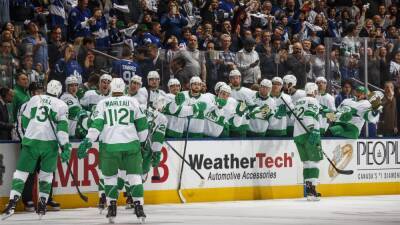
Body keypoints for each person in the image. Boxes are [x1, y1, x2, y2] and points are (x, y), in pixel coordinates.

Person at [77, 78, 150, 223]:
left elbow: (96, 125)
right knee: (134, 176)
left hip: (110, 146)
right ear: (124, 88)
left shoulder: (103, 103)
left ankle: (111, 206)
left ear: (111, 88)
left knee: (110, 177)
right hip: (131, 145)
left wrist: (88, 141)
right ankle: (139, 207)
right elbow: (142, 125)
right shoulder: (133, 101)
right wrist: (142, 142)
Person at [2, 80, 71, 219]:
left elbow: (26, 120)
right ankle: (43, 203)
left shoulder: (34, 99)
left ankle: (12, 202)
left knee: (21, 173)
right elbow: (62, 130)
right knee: (46, 175)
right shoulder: (61, 105)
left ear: (47, 89)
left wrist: (31, 133)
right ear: (59, 91)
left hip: (31, 141)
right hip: (49, 145)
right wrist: (65, 147)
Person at [293, 82, 323, 201]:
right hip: (309, 134)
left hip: (298, 134)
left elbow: (293, 117)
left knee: (306, 163)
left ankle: (309, 190)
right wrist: (313, 130)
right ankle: (312, 191)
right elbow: (309, 114)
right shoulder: (313, 101)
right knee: (314, 162)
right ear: (314, 92)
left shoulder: (298, 101)